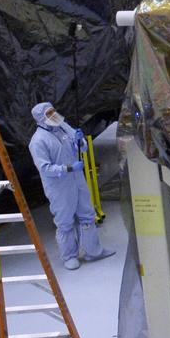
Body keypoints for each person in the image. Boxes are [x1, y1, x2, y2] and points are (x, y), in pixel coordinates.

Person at [28, 102, 115, 269]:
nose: (54, 114)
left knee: (87, 215)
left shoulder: (63, 127)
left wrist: (79, 141)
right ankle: (69, 256)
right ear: (40, 119)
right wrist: (67, 168)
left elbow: (81, 147)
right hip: (59, 187)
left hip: (77, 180)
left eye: (53, 110)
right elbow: (45, 168)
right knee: (65, 221)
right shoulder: (38, 141)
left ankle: (93, 251)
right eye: (49, 113)